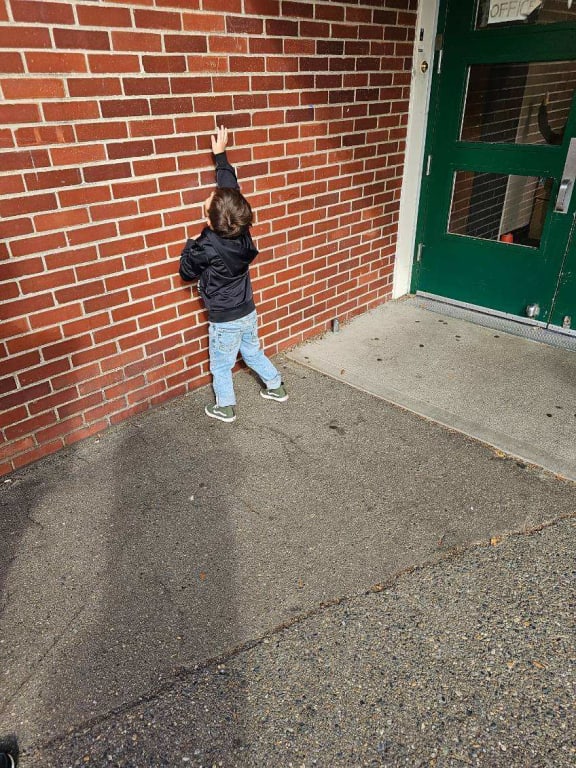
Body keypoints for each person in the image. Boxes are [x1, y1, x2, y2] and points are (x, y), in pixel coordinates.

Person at [179, 126, 288, 423]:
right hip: (247, 311)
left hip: (224, 320)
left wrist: (191, 243)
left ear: (209, 219)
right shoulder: (241, 228)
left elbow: (186, 273)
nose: (212, 195)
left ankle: (225, 406)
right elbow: (231, 192)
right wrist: (220, 155)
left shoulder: (205, 246)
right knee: (252, 352)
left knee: (221, 363)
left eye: (209, 201)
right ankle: (276, 386)